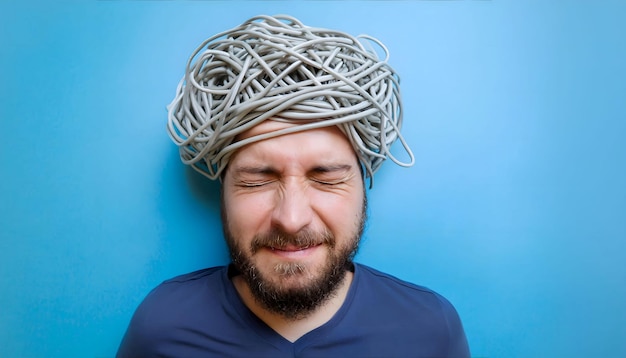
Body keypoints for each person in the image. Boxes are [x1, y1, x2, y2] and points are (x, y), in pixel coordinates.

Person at [117, 15, 470, 357]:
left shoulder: (431, 332)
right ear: (222, 188)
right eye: (257, 180)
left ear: (363, 185)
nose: (291, 218)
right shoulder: (163, 328)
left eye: (326, 177)